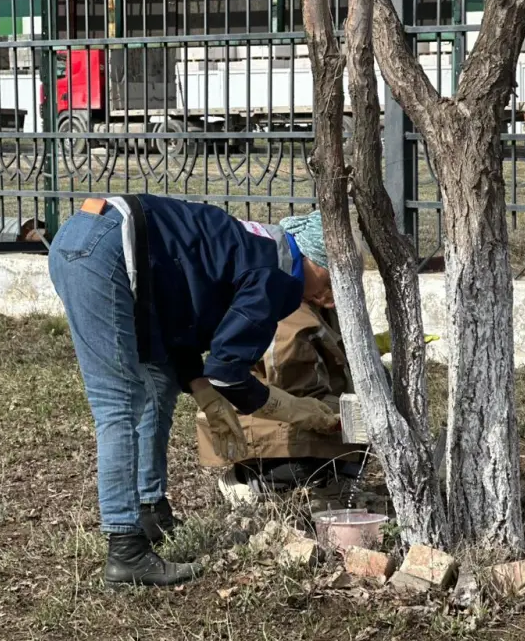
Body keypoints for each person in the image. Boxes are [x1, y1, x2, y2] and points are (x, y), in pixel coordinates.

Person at [48, 195, 339, 588]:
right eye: (332, 278)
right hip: (107, 252)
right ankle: (125, 550)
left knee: (160, 382)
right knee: (118, 404)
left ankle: (151, 510)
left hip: (93, 238)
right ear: (313, 260)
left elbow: (179, 319)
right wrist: (300, 411)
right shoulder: (279, 275)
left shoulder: (253, 249)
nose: (330, 294)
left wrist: (201, 388)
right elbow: (230, 374)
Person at [195, 297, 367, 504]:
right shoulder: (290, 316)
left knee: (357, 425)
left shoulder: (320, 306)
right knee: (353, 425)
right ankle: (252, 481)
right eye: (326, 268)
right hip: (262, 419)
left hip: (278, 412)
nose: (332, 279)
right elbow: (295, 392)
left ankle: (329, 481)